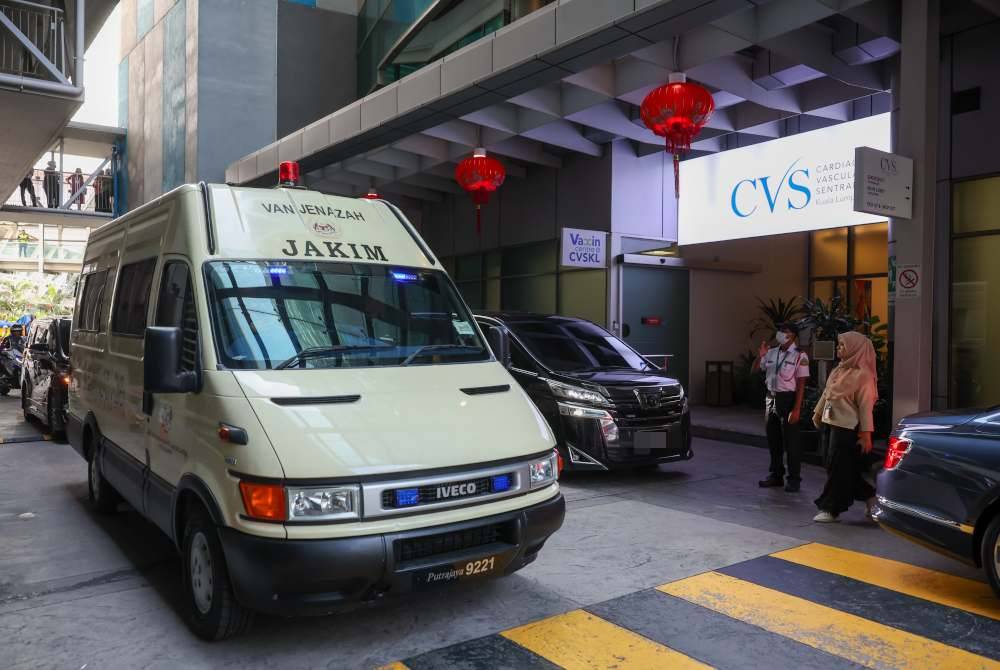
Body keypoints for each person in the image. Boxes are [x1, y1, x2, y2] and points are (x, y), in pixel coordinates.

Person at [812, 331, 879, 523]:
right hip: (830, 425)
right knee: (839, 467)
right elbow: (827, 395)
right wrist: (817, 414)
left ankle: (830, 509)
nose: (838, 348)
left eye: (842, 345)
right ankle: (870, 497)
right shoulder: (838, 370)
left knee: (838, 468)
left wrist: (866, 434)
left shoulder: (864, 376)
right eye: (839, 345)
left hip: (847, 429)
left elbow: (866, 407)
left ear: (855, 349)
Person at [754, 322, 810, 492]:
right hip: (771, 398)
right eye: (780, 331)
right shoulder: (771, 353)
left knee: (791, 441)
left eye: (784, 331)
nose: (780, 334)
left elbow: (801, 384)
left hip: (788, 399)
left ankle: (794, 479)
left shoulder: (800, 356)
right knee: (773, 440)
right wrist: (760, 356)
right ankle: (776, 475)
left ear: (792, 335)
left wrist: (797, 408)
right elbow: (755, 370)